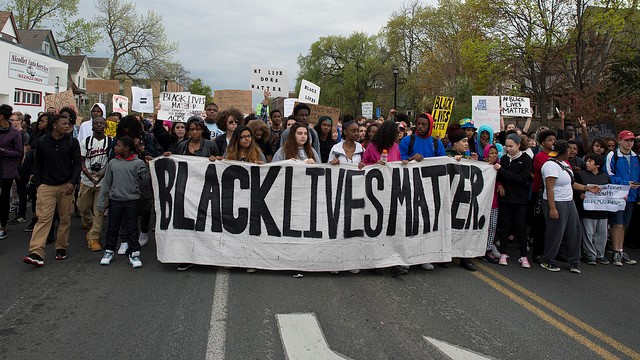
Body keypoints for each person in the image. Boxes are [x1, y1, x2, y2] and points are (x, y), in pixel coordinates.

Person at [23, 115, 81, 266]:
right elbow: (38, 164)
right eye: (64, 123)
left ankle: (61, 247)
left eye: (68, 124)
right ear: (55, 125)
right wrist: (39, 185)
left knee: (65, 218)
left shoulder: (72, 142)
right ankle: (36, 252)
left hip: (66, 186)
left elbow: (77, 165)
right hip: (46, 186)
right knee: (43, 219)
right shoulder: (42, 142)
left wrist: (73, 182)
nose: (67, 126)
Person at [541, 141, 600, 273]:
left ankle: (574, 261)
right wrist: (552, 208)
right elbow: (549, 188)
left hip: (569, 201)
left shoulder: (564, 165)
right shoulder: (550, 165)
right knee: (555, 233)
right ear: (562, 152)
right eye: (568, 150)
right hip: (556, 202)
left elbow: (571, 184)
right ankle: (548, 260)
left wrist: (587, 188)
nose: (571, 152)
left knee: (574, 231)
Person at [97, 136, 150, 268]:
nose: (115, 147)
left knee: (132, 227)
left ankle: (134, 252)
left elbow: (146, 180)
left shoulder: (138, 163)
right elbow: (106, 184)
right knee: (112, 226)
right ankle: (109, 250)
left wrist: (147, 168)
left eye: (118, 145)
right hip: (115, 200)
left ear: (126, 148)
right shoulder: (112, 163)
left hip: (132, 200)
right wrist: (101, 202)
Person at [495, 133, 533, 268]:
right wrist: (500, 184)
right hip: (506, 199)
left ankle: (523, 256)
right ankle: (503, 253)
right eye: (507, 146)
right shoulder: (504, 159)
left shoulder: (526, 160)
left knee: (520, 227)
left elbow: (522, 179)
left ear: (518, 145)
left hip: (520, 199)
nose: (508, 149)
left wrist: (503, 172)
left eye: (511, 146)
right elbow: (499, 176)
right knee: (504, 226)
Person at [605, 130, 639, 266]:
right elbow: (608, 174)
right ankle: (615, 251)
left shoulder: (637, 157)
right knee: (617, 223)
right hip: (618, 194)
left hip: (631, 195)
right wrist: (625, 183)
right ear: (620, 141)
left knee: (625, 224)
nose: (630, 143)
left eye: (631, 140)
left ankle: (620, 249)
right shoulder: (613, 155)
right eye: (627, 140)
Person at [78, 117, 111, 252]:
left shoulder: (110, 142)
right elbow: (81, 160)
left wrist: (102, 174)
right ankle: (90, 225)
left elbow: (111, 160)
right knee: (83, 207)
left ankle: (94, 237)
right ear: (92, 126)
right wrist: (88, 175)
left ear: (105, 126)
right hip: (86, 180)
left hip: (102, 181)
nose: (98, 125)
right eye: (96, 123)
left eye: (101, 123)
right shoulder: (85, 141)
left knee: (99, 209)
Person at [575, 153, 610, 265]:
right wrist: (581, 194)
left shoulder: (605, 176)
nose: (587, 163)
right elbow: (576, 189)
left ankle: (600, 253)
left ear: (598, 165)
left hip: (602, 210)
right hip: (587, 210)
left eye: (590, 161)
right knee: (588, 233)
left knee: (602, 233)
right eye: (586, 161)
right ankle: (589, 254)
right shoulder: (581, 174)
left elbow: (610, 191)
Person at [531, 129, 557, 263]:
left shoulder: (557, 155)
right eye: (549, 140)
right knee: (540, 224)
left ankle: (553, 250)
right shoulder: (540, 157)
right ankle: (538, 252)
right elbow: (548, 169)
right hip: (540, 192)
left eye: (554, 140)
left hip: (556, 193)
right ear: (542, 143)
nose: (553, 142)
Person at [0, 105, 23, 239]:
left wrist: (3, 151)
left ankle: (3, 225)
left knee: (3, 198)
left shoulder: (15, 133)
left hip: (7, 170)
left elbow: (19, 153)